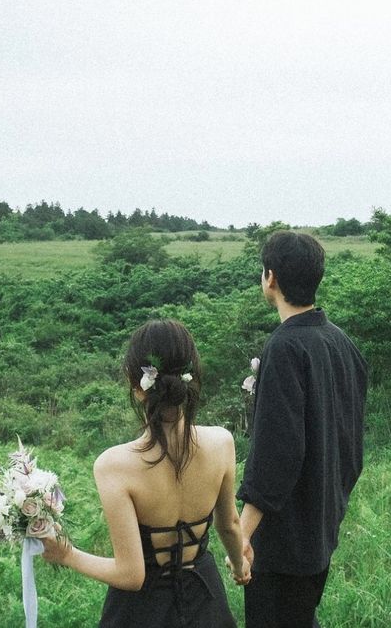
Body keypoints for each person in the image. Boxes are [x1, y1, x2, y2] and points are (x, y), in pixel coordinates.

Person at [41, 319, 250, 627]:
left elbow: (131, 575)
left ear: (136, 387)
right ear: (190, 379)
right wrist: (238, 563)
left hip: (141, 613)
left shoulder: (114, 465)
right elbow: (230, 524)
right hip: (206, 604)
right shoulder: (222, 442)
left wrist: (65, 554)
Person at [233, 231, 368, 628]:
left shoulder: (285, 347)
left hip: (284, 541)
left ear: (270, 278)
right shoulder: (341, 343)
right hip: (321, 525)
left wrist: (242, 533)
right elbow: (352, 442)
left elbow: (278, 451)